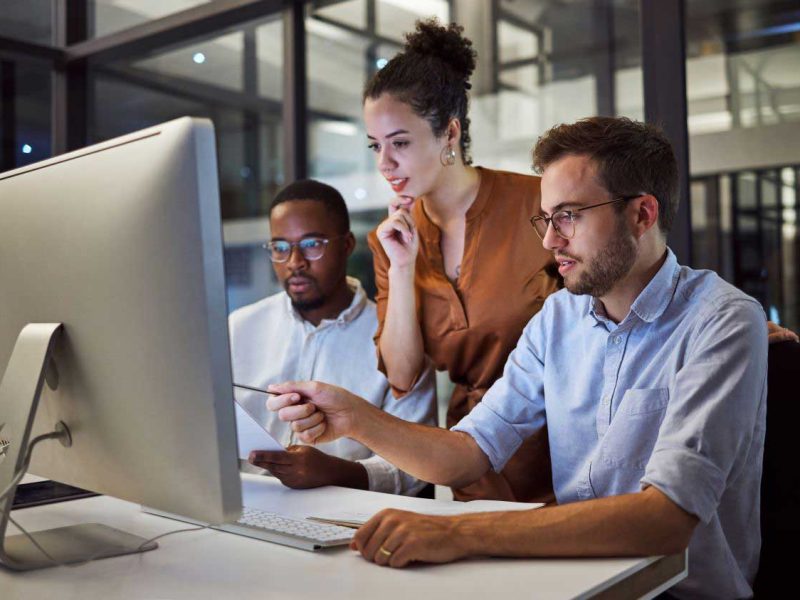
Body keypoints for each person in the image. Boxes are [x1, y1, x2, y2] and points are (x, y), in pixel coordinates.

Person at [269, 117, 768, 599]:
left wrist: (464, 534)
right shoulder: (558, 319)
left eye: (569, 215)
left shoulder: (721, 321)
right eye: (547, 218)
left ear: (642, 214)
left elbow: (664, 520)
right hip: (576, 580)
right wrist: (354, 417)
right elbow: (468, 454)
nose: (551, 241)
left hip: (673, 593)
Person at [364, 18, 559, 502]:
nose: (384, 164)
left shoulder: (539, 203)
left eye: (400, 142)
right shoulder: (391, 241)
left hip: (564, 451)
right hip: (472, 462)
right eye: (376, 145)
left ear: (449, 133)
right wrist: (404, 267)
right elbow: (404, 376)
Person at [228, 179, 436, 496]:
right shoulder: (240, 328)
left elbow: (420, 466)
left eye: (312, 245)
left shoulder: (397, 338)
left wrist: (337, 472)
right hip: (247, 506)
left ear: (347, 245)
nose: (294, 262)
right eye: (280, 248)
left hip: (349, 518)